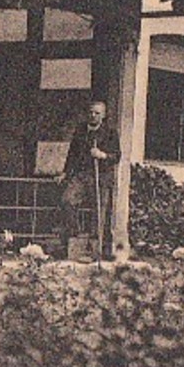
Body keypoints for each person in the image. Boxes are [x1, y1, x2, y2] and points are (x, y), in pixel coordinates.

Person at [58, 100, 118, 260]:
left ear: (103, 115)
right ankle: (75, 236)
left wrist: (102, 155)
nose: (93, 115)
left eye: (97, 113)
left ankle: (94, 249)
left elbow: (116, 156)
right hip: (82, 175)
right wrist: (65, 172)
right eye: (91, 112)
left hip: (101, 176)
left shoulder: (110, 133)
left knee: (99, 211)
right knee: (67, 200)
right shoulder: (80, 131)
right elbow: (72, 154)